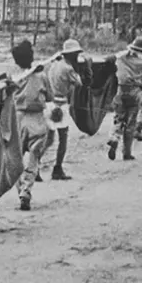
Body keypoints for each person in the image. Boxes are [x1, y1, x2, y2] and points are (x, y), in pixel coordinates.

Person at [10, 40, 54, 210]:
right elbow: (50, 96)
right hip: (36, 118)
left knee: (15, 158)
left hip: (17, 119)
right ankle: (26, 189)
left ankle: (20, 188)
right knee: (34, 156)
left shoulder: (13, 77)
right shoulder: (41, 76)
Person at [44, 38, 90, 180]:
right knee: (63, 138)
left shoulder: (53, 65)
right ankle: (57, 168)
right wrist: (84, 68)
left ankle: (36, 164)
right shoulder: (68, 68)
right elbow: (79, 83)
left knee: (49, 138)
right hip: (61, 103)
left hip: (50, 103)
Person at [106, 36, 142, 161]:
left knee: (118, 117)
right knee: (131, 122)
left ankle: (114, 138)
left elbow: (109, 59)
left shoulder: (120, 57)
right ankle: (127, 152)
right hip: (135, 91)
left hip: (121, 90)